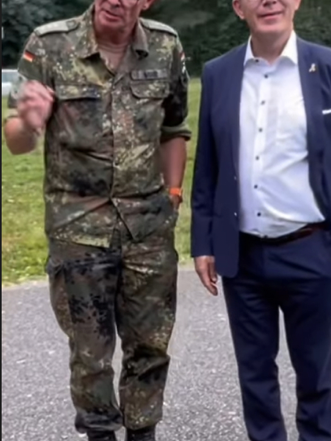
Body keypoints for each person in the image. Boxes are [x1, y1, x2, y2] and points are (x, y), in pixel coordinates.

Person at [3, 0, 191, 440]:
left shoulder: (165, 46)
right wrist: (28, 122)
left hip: (147, 230)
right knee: (90, 354)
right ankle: (100, 434)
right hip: (78, 231)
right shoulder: (49, 45)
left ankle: (143, 433)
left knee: (151, 346)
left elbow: (174, 128)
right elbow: (16, 140)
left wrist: (173, 195)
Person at [190, 0, 331, 440]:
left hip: (312, 249)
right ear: (239, 7)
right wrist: (204, 241)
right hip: (243, 256)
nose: (269, 1)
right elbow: (209, 165)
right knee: (255, 377)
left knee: (315, 374)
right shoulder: (219, 73)